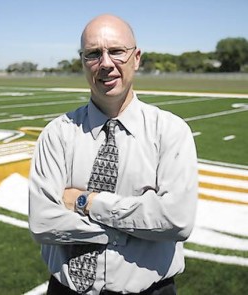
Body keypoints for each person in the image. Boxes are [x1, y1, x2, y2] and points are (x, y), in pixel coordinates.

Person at [29, 14, 198, 295]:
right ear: (83, 62)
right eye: (93, 54)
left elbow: (175, 221)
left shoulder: (171, 131)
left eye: (117, 51)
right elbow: (43, 222)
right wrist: (132, 228)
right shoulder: (57, 133)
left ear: (137, 58)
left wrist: (88, 202)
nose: (106, 63)